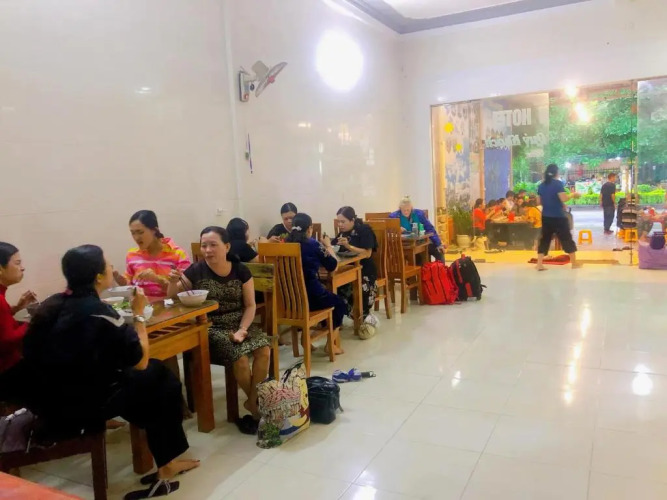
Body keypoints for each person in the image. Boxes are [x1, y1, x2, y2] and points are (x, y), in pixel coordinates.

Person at [21, 245, 197, 499]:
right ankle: (166, 466)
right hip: (82, 406)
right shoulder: (101, 312)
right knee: (159, 377)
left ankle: (162, 458)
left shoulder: (50, 305)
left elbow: (31, 351)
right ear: (98, 277)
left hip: (44, 403)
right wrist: (138, 316)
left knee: (150, 382)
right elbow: (140, 361)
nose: (111, 267)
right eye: (108, 265)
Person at [167, 227, 270, 433]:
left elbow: (250, 305)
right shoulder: (196, 270)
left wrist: (242, 329)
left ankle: (252, 402)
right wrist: (172, 282)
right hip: (211, 326)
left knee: (264, 351)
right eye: (204, 245)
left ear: (227, 246)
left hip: (240, 321)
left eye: (213, 245)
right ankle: (257, 407)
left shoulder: (240, 270)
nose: (207, 250)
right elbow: (173, 297)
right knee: (240, 358)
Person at [286, 213, 346, 355]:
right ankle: (329, 344)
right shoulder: (312, 244)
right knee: (339, 304)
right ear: (309, 229)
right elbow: (333, 266)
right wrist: (328, 245)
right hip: (311, 298)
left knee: (326, 296)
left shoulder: (283, 244)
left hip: (288, 300)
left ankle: (305, 339)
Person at [114, 210, 191, 297]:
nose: (136, 238)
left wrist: (157, 279)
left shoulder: (178, 254)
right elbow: (129, 285)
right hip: (142, 304)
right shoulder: (132, 255)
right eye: (133, 233)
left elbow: (184, 289)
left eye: (140, 232)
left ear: (154, 230)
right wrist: (119, 278)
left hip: (171, 303)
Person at [332, 207, 379, 336]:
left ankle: (361, 317)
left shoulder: (364, 230)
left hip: (365, 270)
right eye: (338, 222)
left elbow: (367, 253)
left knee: (357, 287)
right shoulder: (342, 234)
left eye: (343, 221)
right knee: (333, 286)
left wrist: (348, 246)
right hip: (348, 269)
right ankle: (336, 320)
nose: (340, 225)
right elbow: (334, 246)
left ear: (352, 220)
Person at [536, 164, 582, 270]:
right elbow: (564, 198)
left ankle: (539, 264)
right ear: (556, 173)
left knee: (545, 239)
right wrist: (573, 194)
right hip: (558, 217)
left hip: (546, 217)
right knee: (566, 238)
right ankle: (574, 263)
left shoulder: (541, 185)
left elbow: (539, 202)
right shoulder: (558, 184)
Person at [0, 243, 37, 374]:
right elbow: (6, 341)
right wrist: (33, 322)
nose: (22, 268)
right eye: (17, 263)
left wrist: (17, 308)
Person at [389, 196, 445, 263]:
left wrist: (438, 244)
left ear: (411, 208)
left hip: (422, 242)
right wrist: (397, 229)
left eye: (408, 210)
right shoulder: (394, 217)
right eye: (404, 210)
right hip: (405, 245)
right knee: (418, 259)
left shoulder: (419, 214)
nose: (406, 212)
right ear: (400, 209)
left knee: (439, 252)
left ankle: (441, 269)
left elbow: (430, 229)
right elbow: (389, 231)